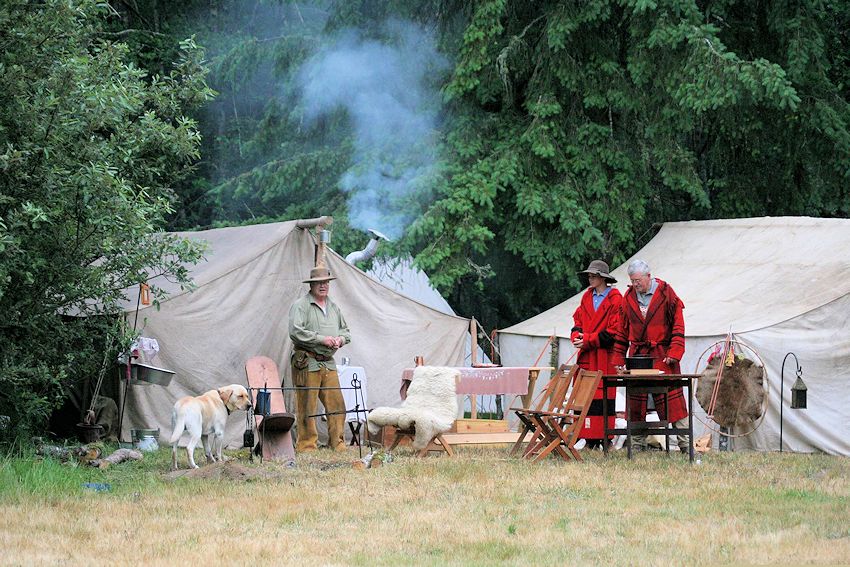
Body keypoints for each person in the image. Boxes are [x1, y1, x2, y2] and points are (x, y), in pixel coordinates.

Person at [611, 259, 689, 452]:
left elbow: (678, 325)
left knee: (674, 402)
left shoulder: (666, 293)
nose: (635, 284)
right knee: (636, 402)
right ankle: (636, 446)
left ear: (648, 276)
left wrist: (675, 352)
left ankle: (686, 445)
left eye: (638, 279)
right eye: (632, 280)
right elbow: (622, 331)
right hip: (638, 358)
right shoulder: (628, 297)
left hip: (663, 356)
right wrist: (619, 359)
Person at [288, 266, 351, 452]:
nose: (323, 286)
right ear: (312, 285)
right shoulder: (301, 305)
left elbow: (346, 331)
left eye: (326, 282)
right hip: (307, 360)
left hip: (328, 361)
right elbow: (295, 332)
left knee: (337, 403)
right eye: (319, 283)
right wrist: (321, 339)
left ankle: (337, 443)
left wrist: (340, 339)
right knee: (307, 405)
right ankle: (307, 446)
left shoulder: (333, 307)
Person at [570, 260, 622, 450]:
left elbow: (614, 332)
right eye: (589, 276)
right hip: (587, 357)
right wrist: (576, 336)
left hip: (604, 358)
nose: (589, 279)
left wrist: (588, 340)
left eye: (593, 276)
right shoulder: (586, 297)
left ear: (602, 278)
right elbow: (577, 320)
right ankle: (589, 437)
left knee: (604, 398)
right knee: (585, 398)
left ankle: (605, 438)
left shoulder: (616, 299)